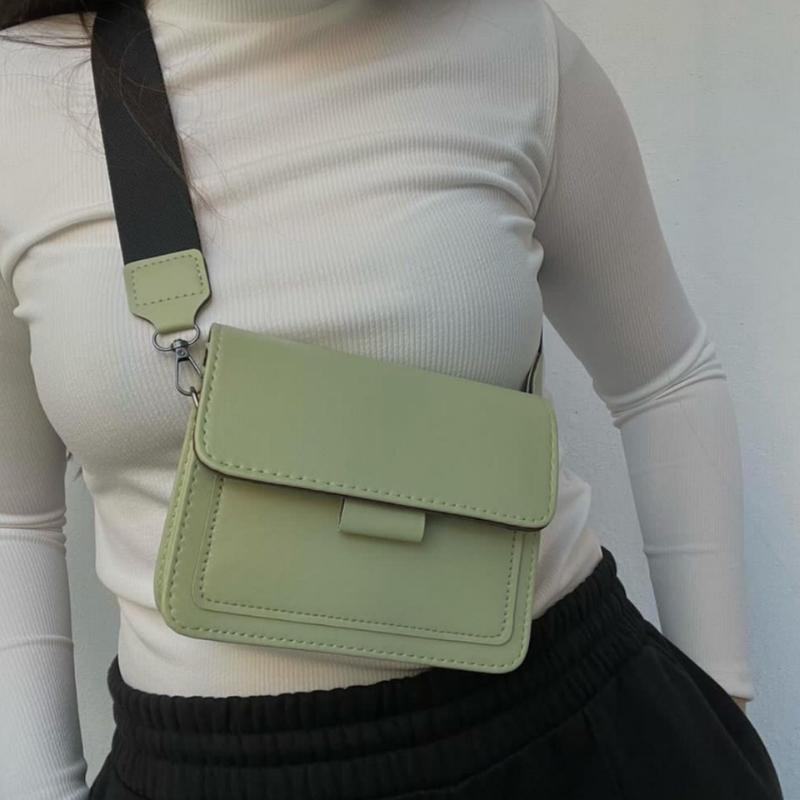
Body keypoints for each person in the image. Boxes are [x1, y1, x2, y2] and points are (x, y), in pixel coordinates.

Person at [0, 0, 784, 798]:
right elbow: (14, 516)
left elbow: (665, 377)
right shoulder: (19, 93)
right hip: (199, 766)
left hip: (565, 726)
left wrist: (720, 705)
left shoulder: (512, 43)